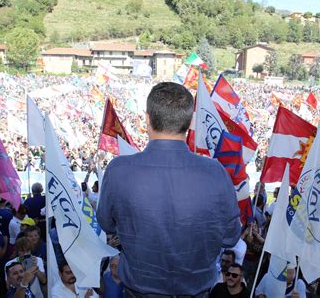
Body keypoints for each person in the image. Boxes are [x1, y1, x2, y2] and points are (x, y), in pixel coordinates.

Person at [97, 82, 241, 296]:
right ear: (189, 121)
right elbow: (230, 236)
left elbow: (107, 223)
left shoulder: (118, 170)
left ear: (147, 119)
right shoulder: (216, 172)